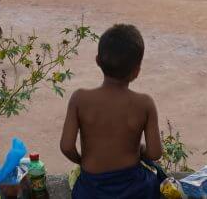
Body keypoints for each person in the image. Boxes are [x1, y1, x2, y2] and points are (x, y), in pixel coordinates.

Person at [60, 24, 162, 198]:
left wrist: (81, 161)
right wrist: (140, 149)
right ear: (136, 71)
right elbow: (155, 153)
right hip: (134, 187)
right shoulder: (145, 103)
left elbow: (67, 146)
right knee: (156, 183)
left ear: (98, 60)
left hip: (91, 189)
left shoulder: (79, 99)